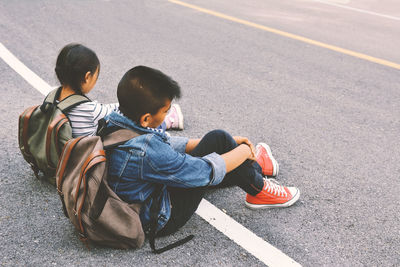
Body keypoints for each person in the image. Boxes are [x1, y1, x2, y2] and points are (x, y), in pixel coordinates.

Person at [104, 65, 300, 238]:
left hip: (142, 196)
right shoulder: (146, 151)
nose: (168, 115)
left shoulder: (115, 122)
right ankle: (259, 186)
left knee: (220, 142)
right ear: (146, 119)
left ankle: (255, 167)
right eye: (165, 111)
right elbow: (203, 171)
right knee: (219, 142)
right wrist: (240, 152)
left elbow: (167, 144)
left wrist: (230, 146)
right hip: (159, 217)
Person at [54, 43, 183, 138]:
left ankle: (165, 118)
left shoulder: (53, 97)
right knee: (133, 119)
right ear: (87, 77)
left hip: (61, 158)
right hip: (89, 158)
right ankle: (167, 120)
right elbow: (118, 113)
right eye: (96, 75)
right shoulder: (89, 110)